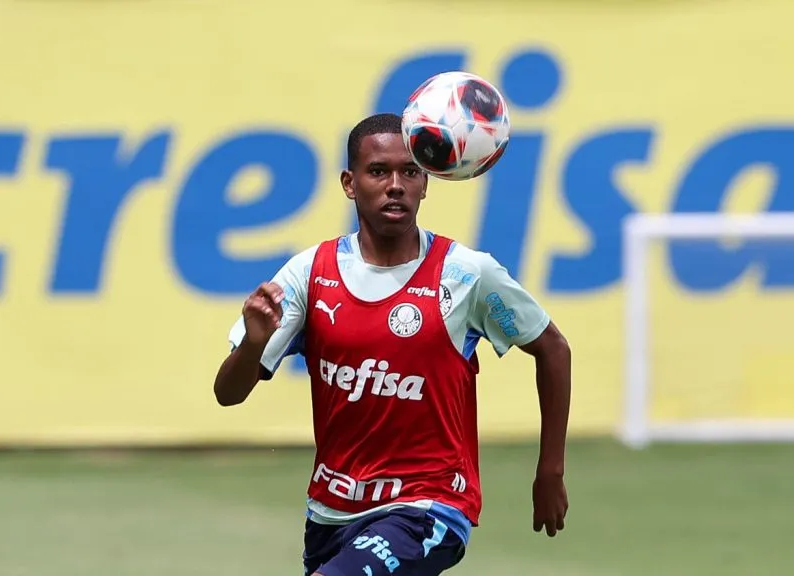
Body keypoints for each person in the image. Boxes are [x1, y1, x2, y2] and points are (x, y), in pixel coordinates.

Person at [213, 112, 572, 576]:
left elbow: (552, 348)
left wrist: (551, 470)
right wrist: (252, 346)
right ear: (349, 182)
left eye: (410, 171)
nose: (396, 184)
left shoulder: (466, 274)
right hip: (331, 511)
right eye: (379, 171)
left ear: (427, 183)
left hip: (430, 506)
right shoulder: (309, 274)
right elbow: (228, 393)